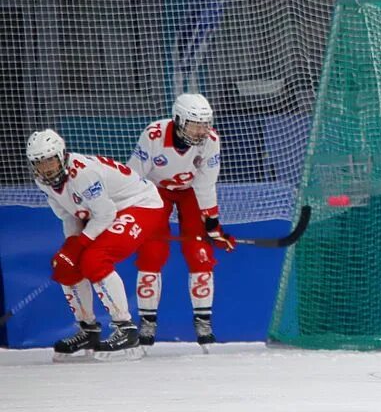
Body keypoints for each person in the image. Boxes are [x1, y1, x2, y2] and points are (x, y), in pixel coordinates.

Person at [27, 129, 165, 361]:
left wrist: (78, 245)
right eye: (39, 163)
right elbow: (70, 215)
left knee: (94, 259)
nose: (46, 168)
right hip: (106, 211)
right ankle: (88, 329)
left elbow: (104, 214)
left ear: (62, 155)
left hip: (140, 204)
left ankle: (126, 329)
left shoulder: (83, 173)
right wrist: (70, 247)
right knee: (67, 266)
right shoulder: (44, 182)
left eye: (50, 159)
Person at [128, 93, 232, 349]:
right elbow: (134, 177)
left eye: (205, 125)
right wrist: (127, 209)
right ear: (177, 120)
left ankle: (203, 322)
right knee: (152, 252)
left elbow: (206, 184)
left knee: (200, 253)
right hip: (154, 191)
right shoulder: (153, 135)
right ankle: (147, 322)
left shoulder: (211, 141)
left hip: (191, 191)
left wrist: (212, 225)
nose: (201, 131)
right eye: (195, 125)